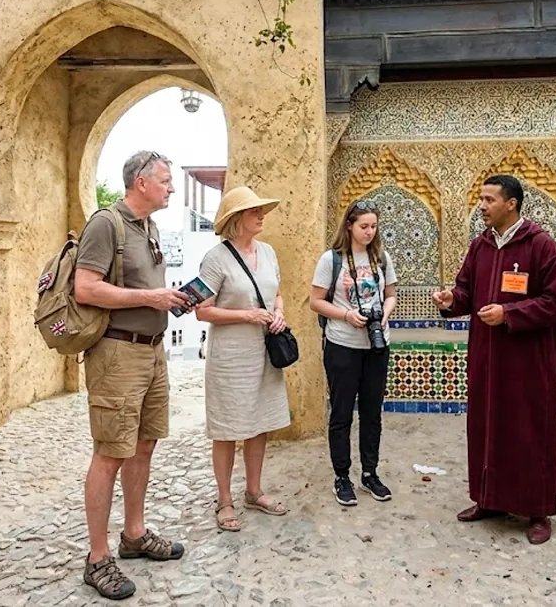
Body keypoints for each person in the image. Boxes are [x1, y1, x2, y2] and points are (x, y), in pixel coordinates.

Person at [74, 151, 193, 601]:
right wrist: (151, 297)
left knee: (144, 444)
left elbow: (145, 292)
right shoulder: (107, 224)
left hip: (152, 352)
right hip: (117, 354)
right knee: (110, 453)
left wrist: (169, 299)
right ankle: (97, 557)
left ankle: (134, 535)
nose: (170, 188)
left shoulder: (150, 227)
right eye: (165, 180)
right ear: (140, 182)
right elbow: (86, 288)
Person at [432, 174, 556, 545]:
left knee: (529, 430)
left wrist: (510, 314)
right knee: (487, 426)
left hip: (527, 362)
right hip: (486, 358)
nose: (482, 205)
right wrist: (452, 300)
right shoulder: (480, 246)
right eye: (481, 198)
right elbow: (466, 289)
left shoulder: (541, 246)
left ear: (511, 204)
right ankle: (489, 499)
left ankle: (538, 510)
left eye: (489, 199)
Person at [196, 186, 291, 532]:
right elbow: (201, 311)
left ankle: (253, 490)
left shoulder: (267, 253)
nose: (261, 216)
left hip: (263, 352)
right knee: (226, 429)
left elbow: (277, 294)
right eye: (254, 212)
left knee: (259, 422)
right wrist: (247, 316)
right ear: (237, 220)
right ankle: (224, 499)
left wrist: (278, 312)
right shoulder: (215, 259)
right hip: (230, 357)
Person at [309, 200, 398, 507]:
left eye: (374, 226)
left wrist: (385, 315)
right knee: (342, 413)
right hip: (342, 344)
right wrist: (346, 316)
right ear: (349, 225)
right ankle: (342, 475)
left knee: (373, 412)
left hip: (376, 345)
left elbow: (391, 294)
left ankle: (370, 472)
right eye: (363, 226)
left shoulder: (381, 258)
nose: (369, 232)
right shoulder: (331, 260)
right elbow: (315, 301)